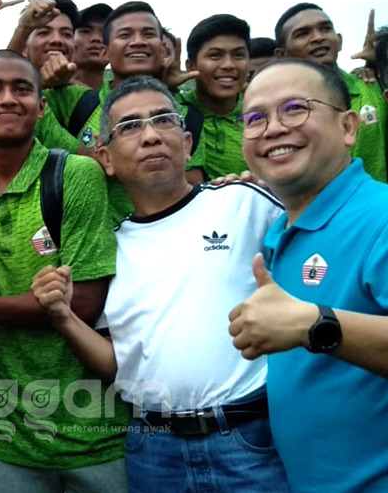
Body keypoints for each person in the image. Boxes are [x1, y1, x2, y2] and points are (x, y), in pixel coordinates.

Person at [32, 74, 289, 492]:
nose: (150, 135)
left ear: (187, 144)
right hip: (153, 451)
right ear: (106, 158)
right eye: (130, 126)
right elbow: (117, 365)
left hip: (249, 438)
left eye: (163, 120)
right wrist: (62, 316)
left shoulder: (246, 203)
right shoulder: (109, 249)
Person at [0, 50, 127, 493]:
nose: (8, 99)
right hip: (4, 435)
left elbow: (85, 304)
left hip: (94, 430)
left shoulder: (75, 173)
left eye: (22, 89)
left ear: (42, 106)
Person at [230, 58, 388, 492]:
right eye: (255, 119)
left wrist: (317, 325)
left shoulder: (381, 217)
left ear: (349, 127)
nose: (274, 128)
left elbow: (309, 325)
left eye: (295, 108)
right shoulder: (278, 233)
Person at [274, 2, 388, 182]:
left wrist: (382, 62)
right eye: (303, 34)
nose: (318, 37)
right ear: (281, 55)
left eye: (326, 29)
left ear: (340, 40)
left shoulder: (372, 85)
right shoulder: (278, 112)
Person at [180, 14, 252, 180]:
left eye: (238, 55)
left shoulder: (263, 117)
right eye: (215, 56)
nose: (228, 65)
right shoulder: (173, 112)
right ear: (190, 65)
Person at [73, 3, 113, 89]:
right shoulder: (44, 91)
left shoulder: (122, 96)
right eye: (85, 31)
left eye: (104, 33)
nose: (96, 38)